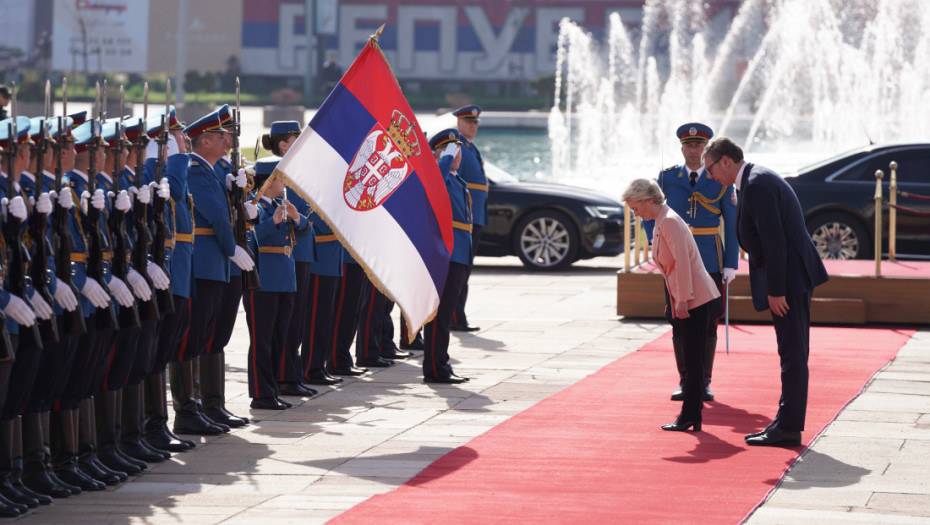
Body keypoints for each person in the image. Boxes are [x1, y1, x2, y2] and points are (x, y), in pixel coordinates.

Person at [702, 137, 829, 446]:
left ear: (726, 162)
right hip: (792, 275)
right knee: (792, 351)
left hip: (789, 279)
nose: (709, 176)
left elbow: (775, 242)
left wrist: (776, 290)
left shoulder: (756, 184)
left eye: (710, 169)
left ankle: (787, 427)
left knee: (793, 353)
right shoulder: (754, 179)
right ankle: (786, 421)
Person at [643, 123, 737, 402]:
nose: (693, 150)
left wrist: (730, 263)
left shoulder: (719, 177)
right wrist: (655, 245)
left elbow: (731, 223)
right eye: (688, 145)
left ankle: (704, 381)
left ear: (706, 149)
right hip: (674, 258)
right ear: (681, 148)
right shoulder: (666, 178)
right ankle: (685, 380)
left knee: (708, 321)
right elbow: (650, 214)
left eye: (698, 146)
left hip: (709, 256)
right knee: (678, 319)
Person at [623, 178, 721, 432]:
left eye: (636, 208)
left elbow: (683, 265)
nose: (635, 213)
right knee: (691, 360)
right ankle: (691, 416)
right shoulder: (661, 220)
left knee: (693, 360)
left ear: (649, 200)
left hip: (696, 299)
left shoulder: (668, 222)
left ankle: (689, 416)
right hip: (690, 297)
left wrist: (683, 300)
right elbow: (670, 269)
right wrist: (674, 299)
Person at [244, 156, 312, 410]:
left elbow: (306, 230)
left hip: (285, 279)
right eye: (280, 178)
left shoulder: (282, 203)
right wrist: (272, 222)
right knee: (262, 339)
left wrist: (296, 219)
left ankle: (271, 389)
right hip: (264, 279)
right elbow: (250, 237)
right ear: (269, 181)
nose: (284, 183)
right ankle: (261, 393)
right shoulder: (254, 206)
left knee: (278, 337)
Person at [423, 129, 472, 384]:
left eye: (459, 150)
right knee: (440, 315)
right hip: (447, 255)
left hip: (460, 254)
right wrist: (442, 160)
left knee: (446, 313)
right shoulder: (440, 177)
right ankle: (435, 366)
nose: (457, 155)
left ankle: (440, 363)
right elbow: (434, 184)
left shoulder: (456, 180)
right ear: (439, 154)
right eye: (452, 150)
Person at [450, 105, 486, 332]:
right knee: (459, 270)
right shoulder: (457, 147)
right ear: (459, 123)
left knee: (465, 270)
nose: (473, 125)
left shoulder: (471, 148)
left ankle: (458, 315)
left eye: (475, 122)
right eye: (469, 121)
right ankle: (455, 317)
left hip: (476, 215)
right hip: (464, 217)